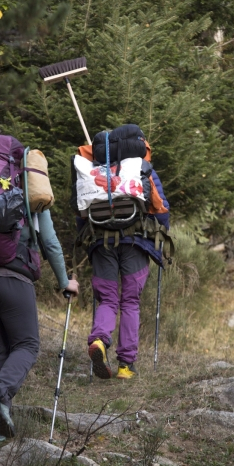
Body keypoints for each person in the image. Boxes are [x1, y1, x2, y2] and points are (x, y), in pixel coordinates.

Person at [0, 209, 79, 442]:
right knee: (27, 345)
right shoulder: (31, 192)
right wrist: (65, 282)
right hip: (13, 275)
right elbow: (50, 242)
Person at [74, 131, 170, 380]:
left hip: (101, 244)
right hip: (135, 244)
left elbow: (80, 213)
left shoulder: (91, 170)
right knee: (130, 301)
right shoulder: (141, 167)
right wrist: (160, 236)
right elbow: (160, 209)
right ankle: (126, 366)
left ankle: (99, 341)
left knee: (107, 299)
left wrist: (90, 241)